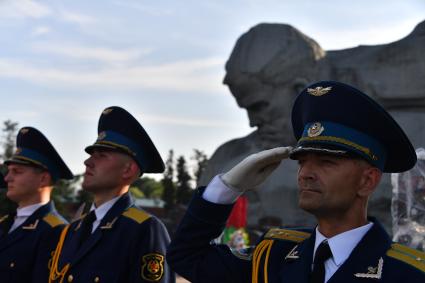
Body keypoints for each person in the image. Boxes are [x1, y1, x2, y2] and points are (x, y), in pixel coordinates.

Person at [167, 81, 425, 282]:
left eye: (326, 162)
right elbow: (187, 257)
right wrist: (226, 189)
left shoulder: (407, 274)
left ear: (367, 181)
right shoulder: (274, 255)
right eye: (302, 161)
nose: (305, 173)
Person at [46, 106, 175, 283]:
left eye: (101, 155)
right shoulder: (73, 230)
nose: (88, 161)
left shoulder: (144, 230)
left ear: (128, 170)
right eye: (92, 155)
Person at [0, 127, 73, 283]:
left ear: (43, 179)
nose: (7, 178)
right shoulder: (4, 223)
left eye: (17, 171)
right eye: (9, 171)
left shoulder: (57, 231)